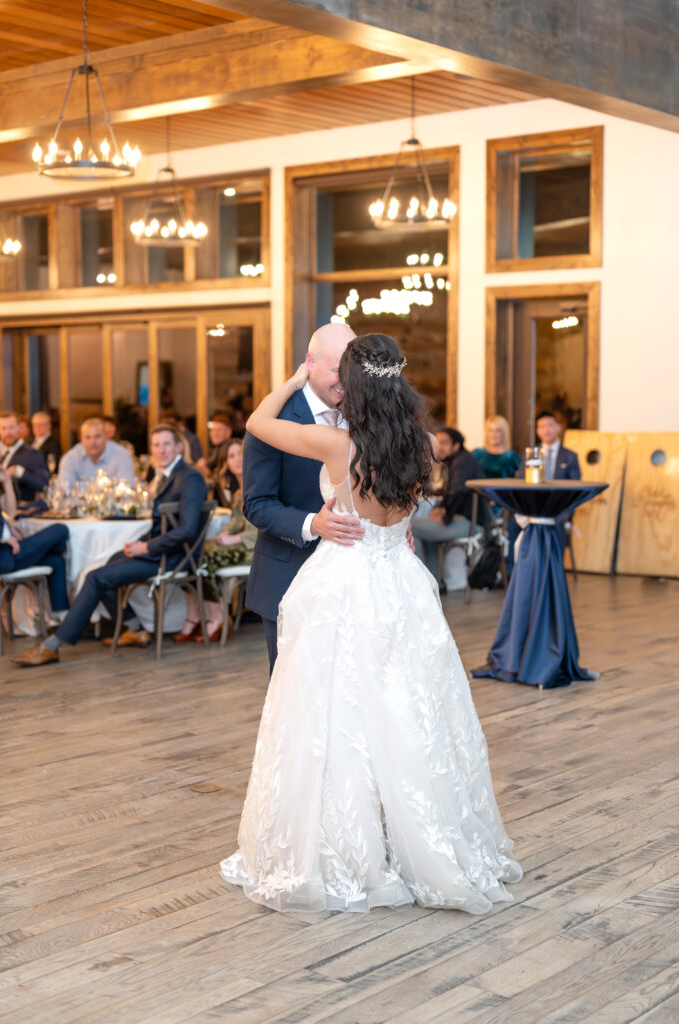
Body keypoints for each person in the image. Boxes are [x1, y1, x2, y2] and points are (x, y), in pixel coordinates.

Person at [220, 333, 521, 914]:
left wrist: (293, 376)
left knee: (333, 719)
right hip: (400, 583)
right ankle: (413, 839)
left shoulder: (337, 444)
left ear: (355, 384)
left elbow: (258, 422)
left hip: (344, 585)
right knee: (406, 711)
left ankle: (351, 850)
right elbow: (404, 514)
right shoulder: (422, 443)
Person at [11, 424, 208, 667]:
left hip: (174, 557)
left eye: (166, 444)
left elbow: (186, 529)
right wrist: (139, 543)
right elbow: (163, 525)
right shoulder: (167, 475)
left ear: (178, 446)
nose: (161, 450)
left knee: (95, 577)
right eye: (156, 445)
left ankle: (52, 645)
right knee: (108, 564)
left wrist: (146, 548)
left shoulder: (189, 477)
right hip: (160, 551)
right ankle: (136, 628)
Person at [243, 322, 363, 674]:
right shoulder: (270, 419)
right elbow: (256, 503)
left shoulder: (367, 415)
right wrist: (314, 523)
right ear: (310, 362)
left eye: (351, 371)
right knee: (293, 697)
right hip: (289, 576)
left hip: (356, 583)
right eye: (336, 371)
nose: (345, 381)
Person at [174, 438, 256, 644]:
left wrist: (235, 539)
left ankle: (217, 617)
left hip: (257, 549)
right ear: (226, 463)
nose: (237, 459)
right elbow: (238, 521)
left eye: (241, 453)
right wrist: (226, 533)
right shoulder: (239, 492)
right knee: (188, 552)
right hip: (243, 545)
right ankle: (194, 616)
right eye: (231, 456)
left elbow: (263, 530)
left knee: (203, 559)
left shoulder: (258, 487)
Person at [506, 410, 581, 575]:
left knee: (557, 524)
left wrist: (565, 514)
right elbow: (520, 480)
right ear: (537, 430)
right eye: (542, 426)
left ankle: (554, 572)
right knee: (512, 523)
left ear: (558, 428)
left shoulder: (570, 456)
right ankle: (514, 573)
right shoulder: (530, 454)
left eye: (550, 425)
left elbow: (576, 489)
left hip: (557, 509)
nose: (546, 430)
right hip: (532, 507)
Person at [411, 427, 485, 580]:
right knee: (426, 531)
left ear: (456, 446)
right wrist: (441, 509)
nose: (439, 447)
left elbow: (458, 491)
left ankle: (421, 581)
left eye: (445, 443)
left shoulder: (462, 462)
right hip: (465, 518)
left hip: (471, 522)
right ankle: (434, 580)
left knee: (411, 527)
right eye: (438, 442)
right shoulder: (458, 461)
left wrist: (446, 516)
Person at [0, 511, 69, 624]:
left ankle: (63, 618)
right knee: (61, 529)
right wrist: (6, 536)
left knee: (57, 561)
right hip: (5, 556)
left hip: (7, 554)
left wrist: (8, 528)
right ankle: (45, 552)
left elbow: (8, 511)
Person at [58, 417, 136, 487]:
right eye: (88, 437)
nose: (93, 442)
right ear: (81, 439)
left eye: (97, 436)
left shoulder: (122, 456)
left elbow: (126, 490)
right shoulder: (70, 458)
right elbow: (65, 491)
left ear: (106, 436)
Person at [0, 410, 49, 502]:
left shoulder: (32, 453)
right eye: (3, 428)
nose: (8, 433)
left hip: (19, 511)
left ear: (19, 428)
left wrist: (20, 472)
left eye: (11, 427)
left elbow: (44, 485)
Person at [472, 415, 520, 480]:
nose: (493, 434)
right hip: (480, 490)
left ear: (503, 433)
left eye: (498, 430)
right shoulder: (477, 454)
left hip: (504, 489)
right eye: (490, 430)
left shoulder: (511, 457)